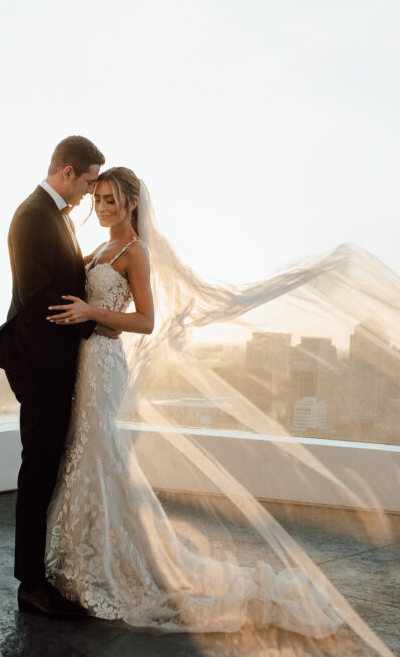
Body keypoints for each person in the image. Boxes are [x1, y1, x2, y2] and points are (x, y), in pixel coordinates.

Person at [40, 166, 344, 637]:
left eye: (111, 201)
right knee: (86, 456)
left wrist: (90, 311)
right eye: (97, 199)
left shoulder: (134, 252)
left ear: (132, 204)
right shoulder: (98, 247)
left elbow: (145, 320)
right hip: (84, 359)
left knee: (101, 458)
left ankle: (114, 565)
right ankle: (83, 559)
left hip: (104, 364)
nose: (101, 208)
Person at [0, 136, 116, 618]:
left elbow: (62, 279)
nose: (90, 192)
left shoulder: (51, 214)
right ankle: (30, 584)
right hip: (39, 365)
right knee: (37, 471)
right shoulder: (34, 215)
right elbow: (40, 297)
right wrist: (99, 323)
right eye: (89, 181)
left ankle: (43, 571)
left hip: (53, 362)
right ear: (67, 174)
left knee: (47, 467)